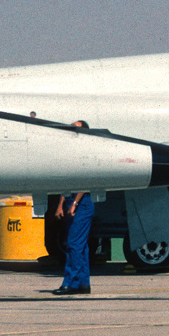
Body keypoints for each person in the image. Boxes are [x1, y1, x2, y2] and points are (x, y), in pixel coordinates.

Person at [52, 121, 93, 296]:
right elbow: (67, 181)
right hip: (71, 201)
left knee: (74, 245)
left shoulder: (85, 154)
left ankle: (70, 282)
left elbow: (84, 182)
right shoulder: (72, 153)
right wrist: (61, 205)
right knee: (81, 246)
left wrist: (74, 204)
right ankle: (83, 283)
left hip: (81, 203)